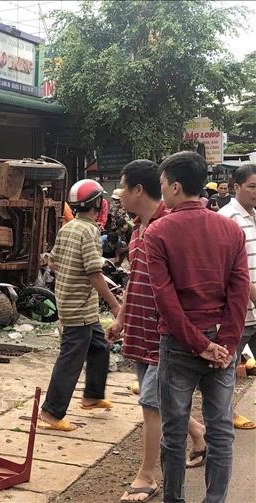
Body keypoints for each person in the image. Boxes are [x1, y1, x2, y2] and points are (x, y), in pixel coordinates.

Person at [144, 151, 249, 503]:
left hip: (179, 344)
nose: (162, 193)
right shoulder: (230, 229)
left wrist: (195, 342)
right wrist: (228, 343)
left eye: (162, 186)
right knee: (221, 432)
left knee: (174, 433)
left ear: (175, 186)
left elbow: (164, 297)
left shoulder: (158, 232)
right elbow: (239, 292)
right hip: (221, 342)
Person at [106, 160, 206, 503]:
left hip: (164, 333)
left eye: (122, 189)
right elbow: (136, 277)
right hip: (139, 329)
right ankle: (200, 436)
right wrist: (121, 317)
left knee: (151, 403)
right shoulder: (137, 229)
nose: (117, 196)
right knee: (159, 400)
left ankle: (146, 476)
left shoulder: (169, 225)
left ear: (138, 190)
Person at [39, 179, 121, 432]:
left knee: (100, 346)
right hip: (78, 307)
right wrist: (116, 306)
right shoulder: (90, 231)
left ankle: (92, 396)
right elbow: (94, 273)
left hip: (73, 303)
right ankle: (51, 412)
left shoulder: (69, 227)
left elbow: (52, 262)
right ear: (97, 203)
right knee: (71, 359)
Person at [218, 163, 256, 430]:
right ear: (237, 187)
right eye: (252, 186)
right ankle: (226, 414)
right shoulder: (227, 218)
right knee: (228, 365)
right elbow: (226, 268)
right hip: (240, 309)